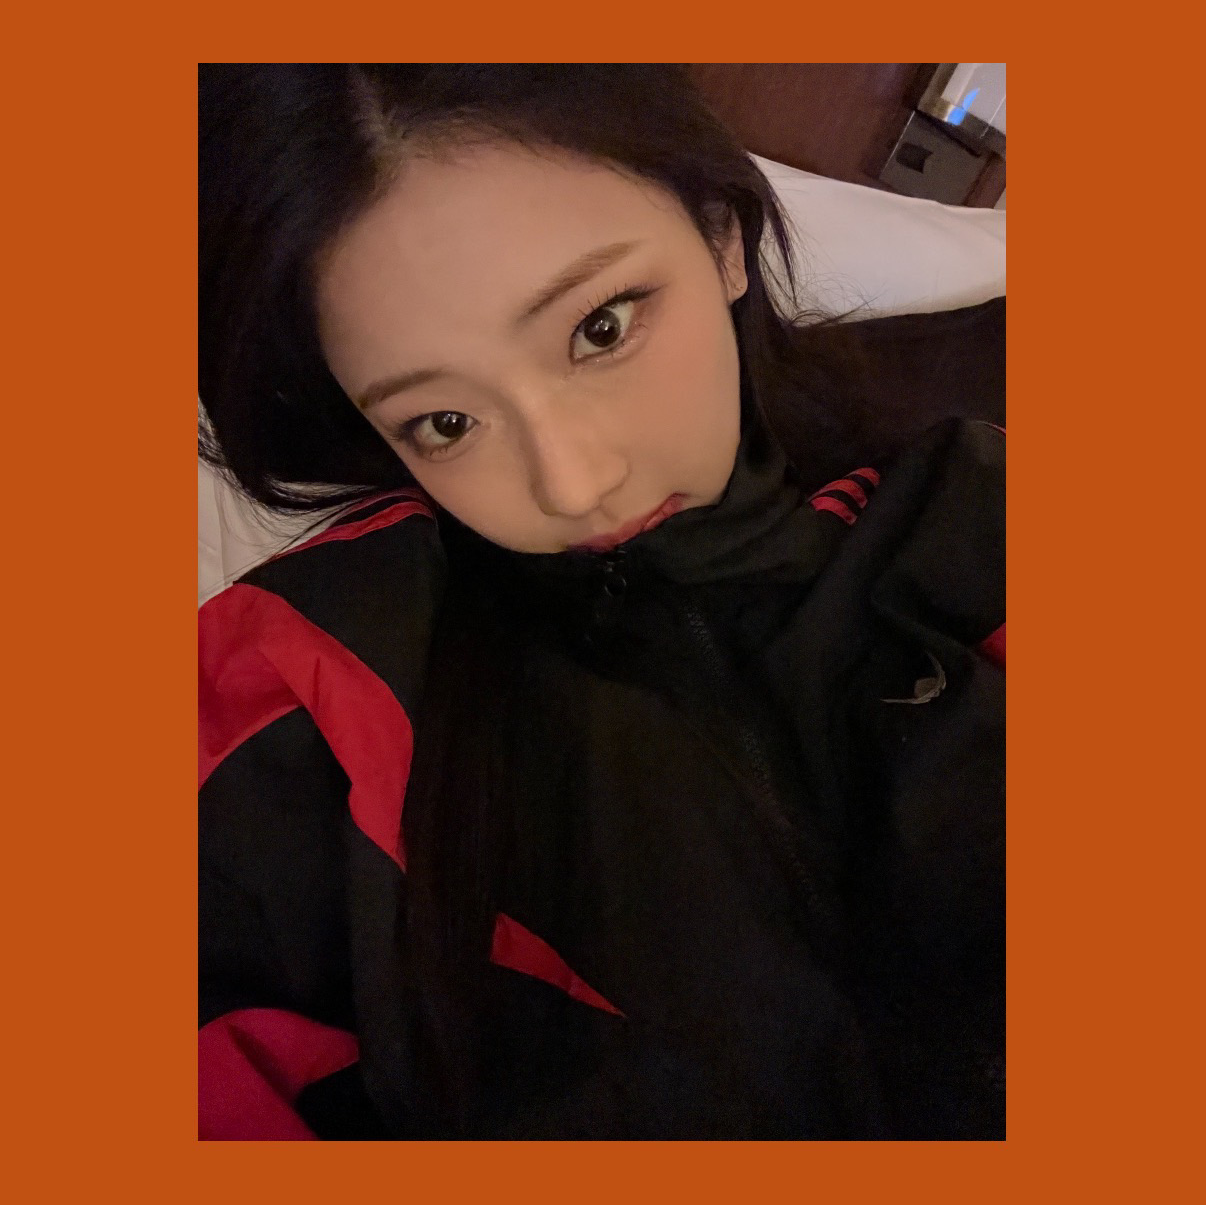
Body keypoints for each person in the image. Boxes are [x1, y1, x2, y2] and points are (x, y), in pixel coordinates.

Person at [198, 63, 1005, 1140]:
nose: (574, 486)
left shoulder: (983, 519)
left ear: (722, 236)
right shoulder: (299, 685)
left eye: (602, 329)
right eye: (445, 423)